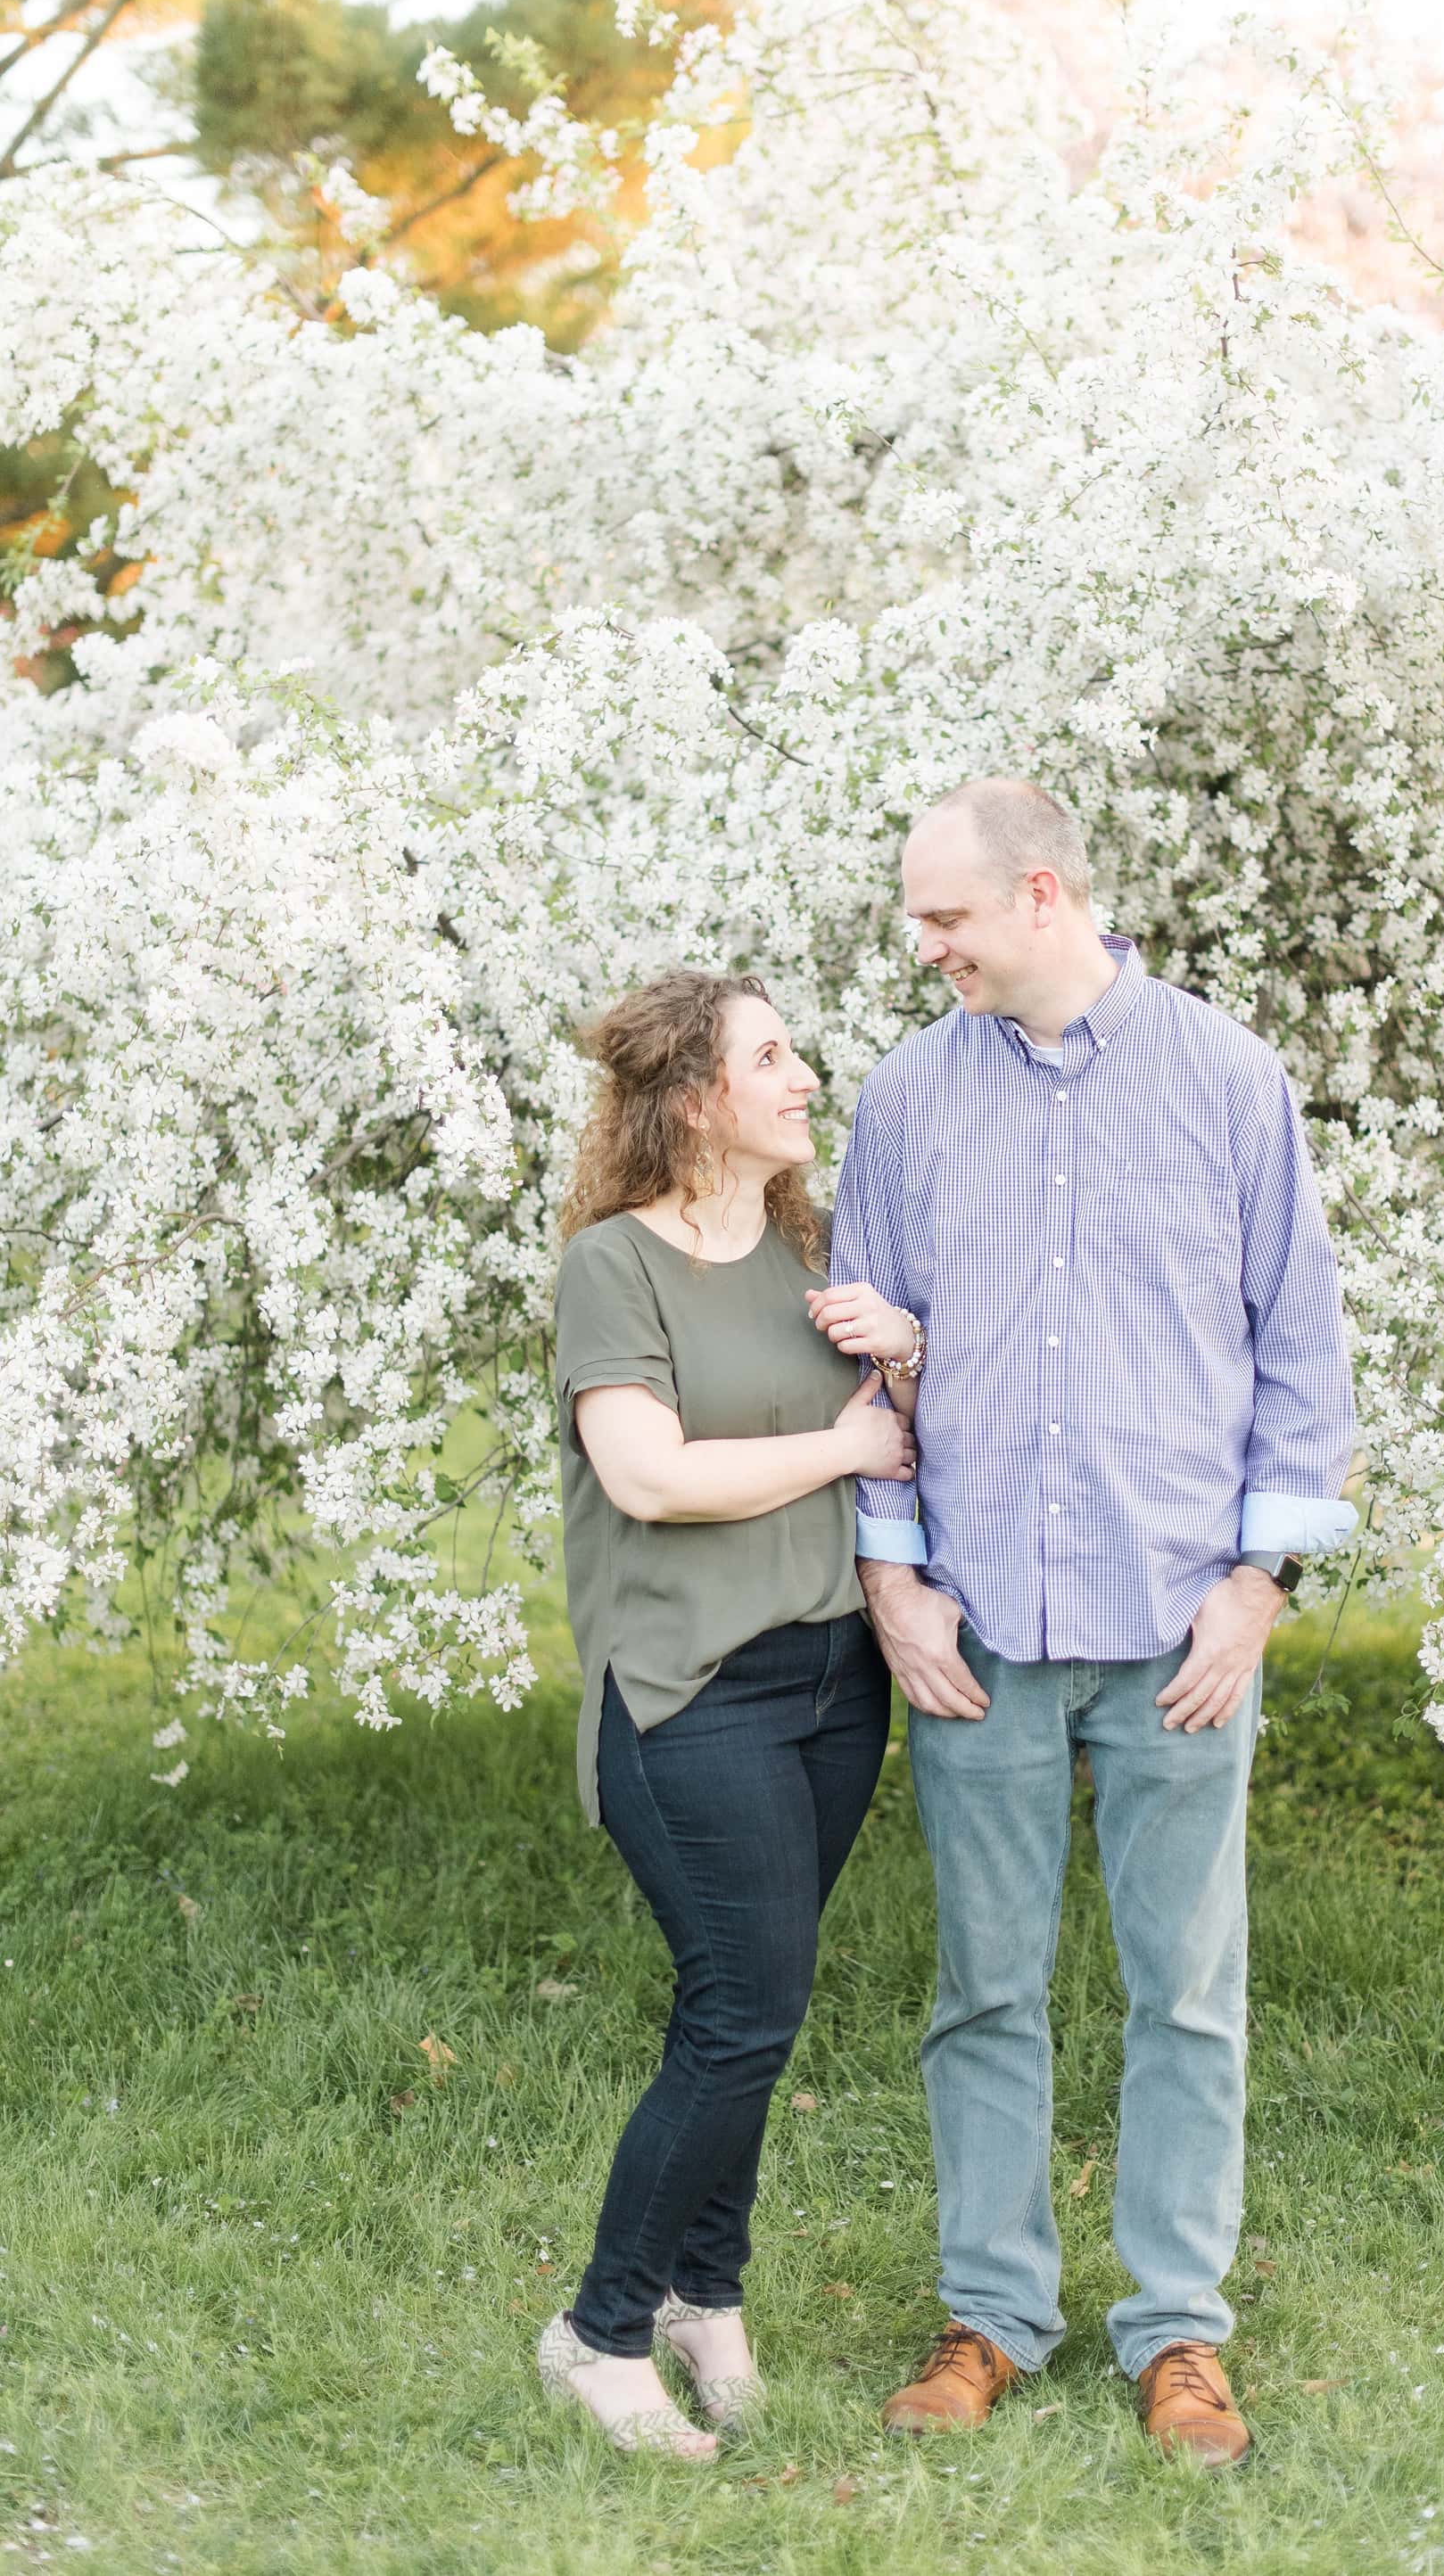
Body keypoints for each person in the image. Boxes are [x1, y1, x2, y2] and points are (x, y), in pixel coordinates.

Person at [816, 779, 1357, 2469]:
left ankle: (1178, 2331)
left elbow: (1301, 1348)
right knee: (983, 1986)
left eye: (944, 920)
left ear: (1039, 894)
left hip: (1180, 1627)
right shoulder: (905, 1103)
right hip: (975, 1626)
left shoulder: (1225, 1078)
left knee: (1185, 1988)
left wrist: (1258, 1586)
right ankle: (991, 2313)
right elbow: (865, 1364)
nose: (927, 949)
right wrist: (894, 1578)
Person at [541, 967, 923, 2459]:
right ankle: (602, 2325)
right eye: (772, 1055)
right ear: (696, 1095)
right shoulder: (613, 1268)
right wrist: (840, 1441)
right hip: (687, 1690)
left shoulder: (811, 1246)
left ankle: (711, 2293)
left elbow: (906, 1434)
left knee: (751, 2013)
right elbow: (648, 1474)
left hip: (835, 1687)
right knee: (744, 2005)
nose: (805, 1075)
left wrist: (901, 1351)